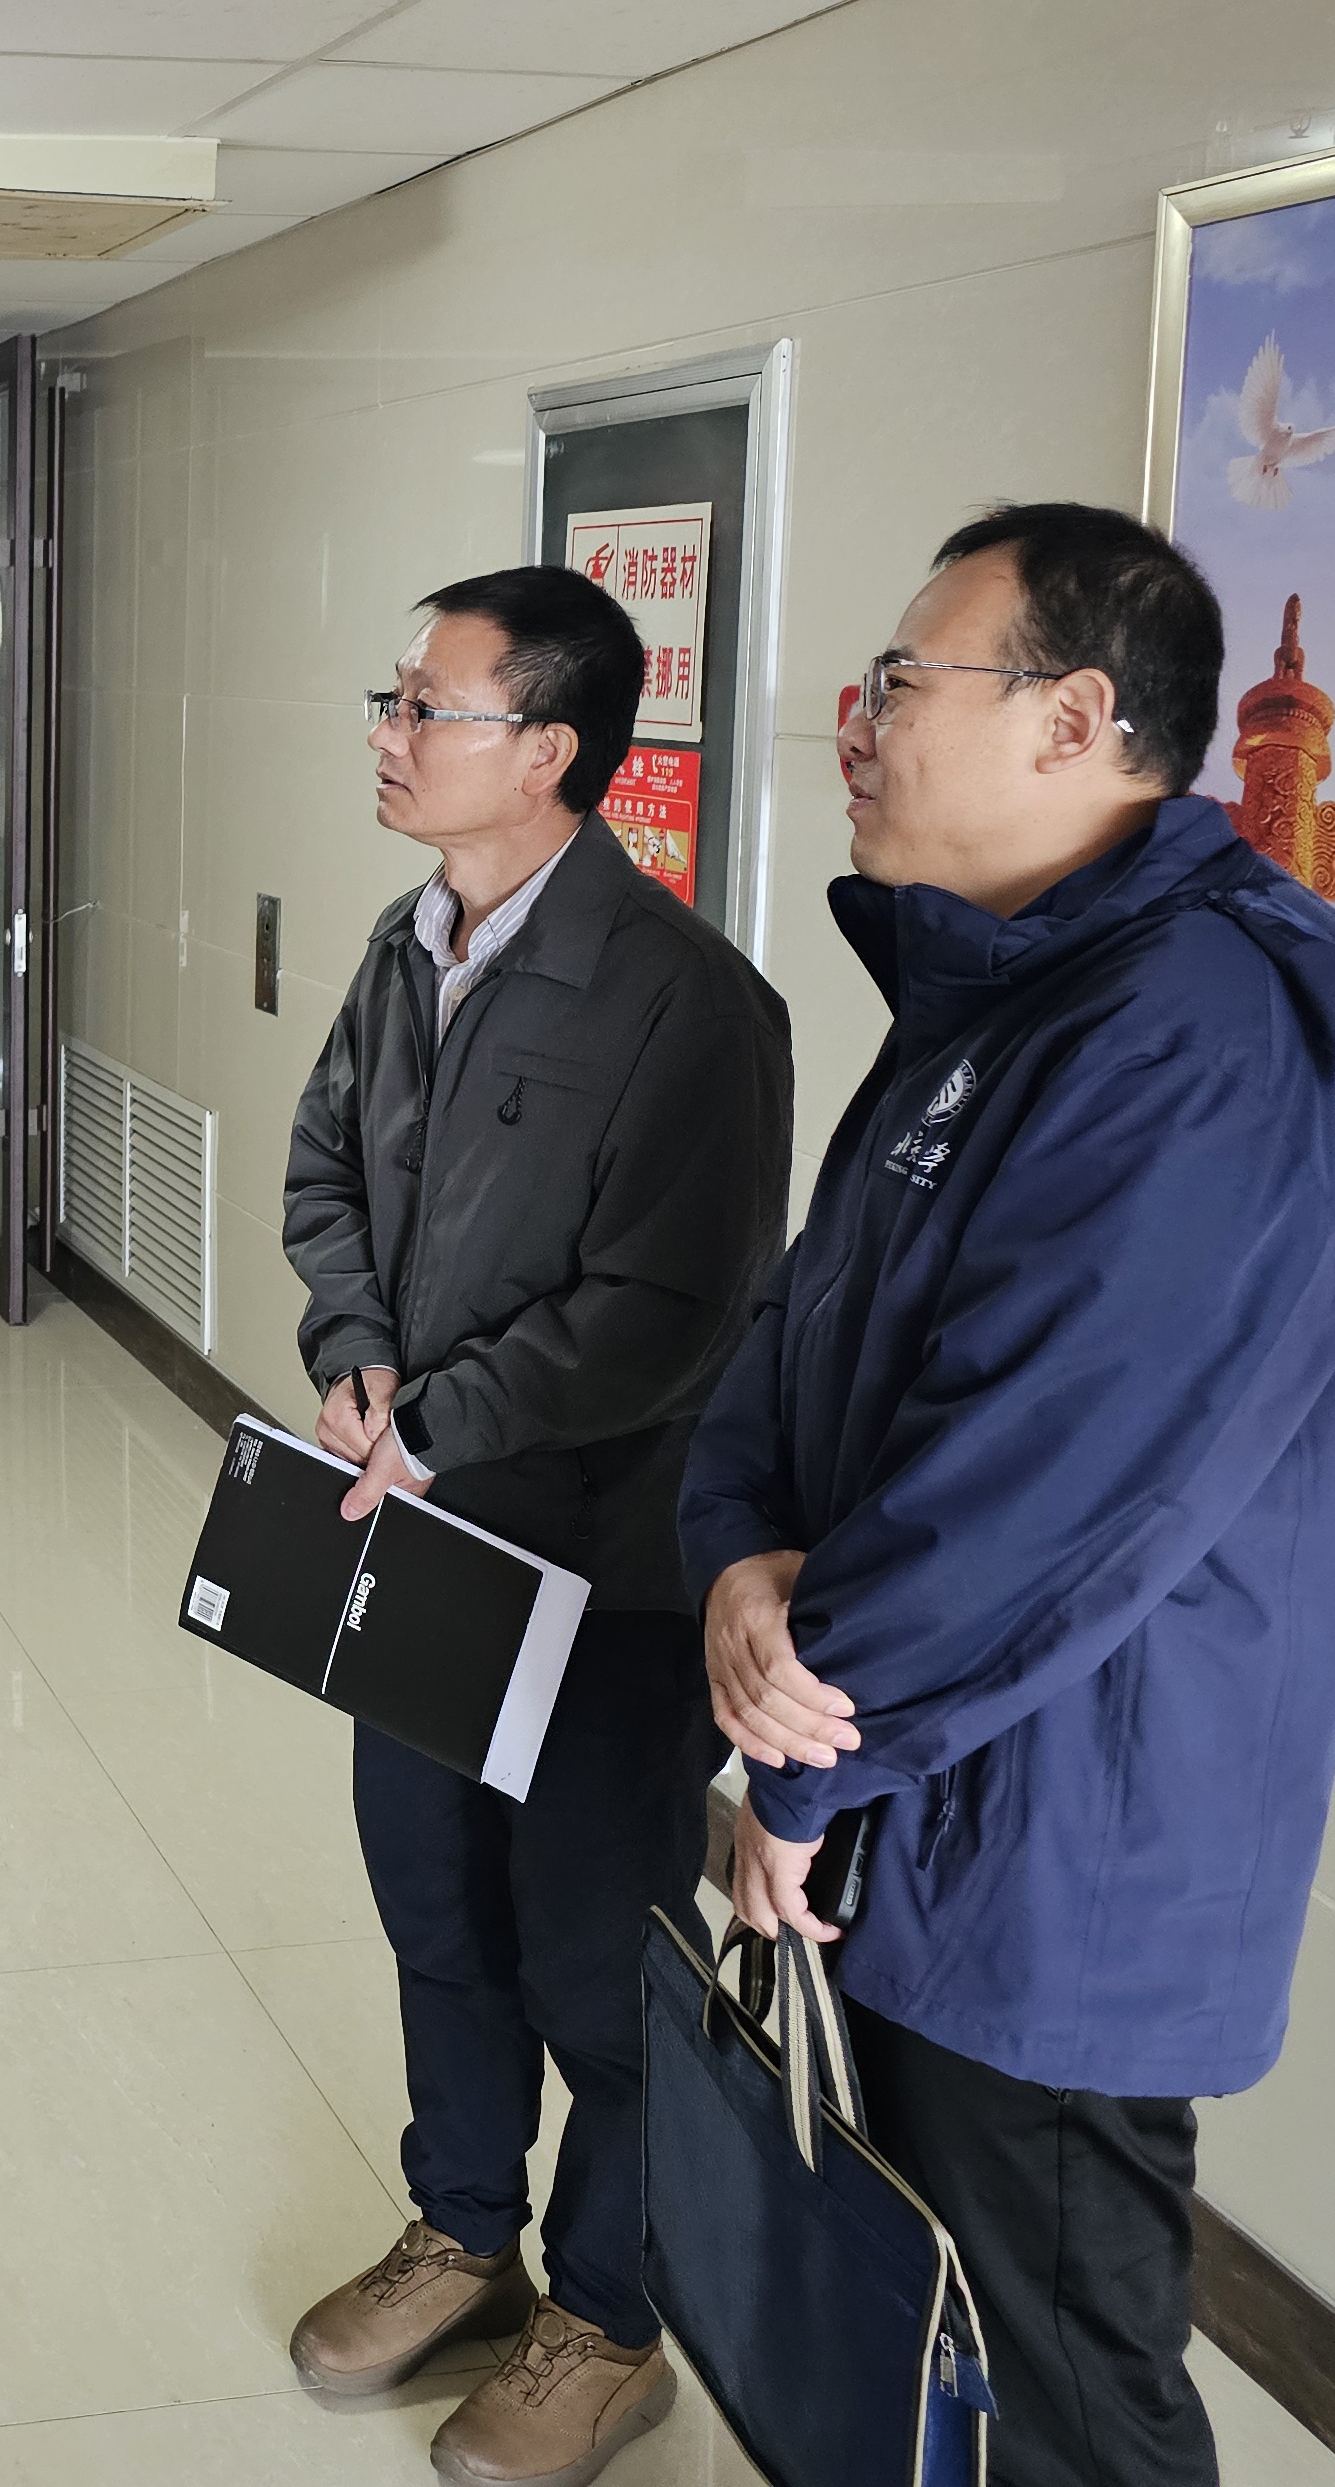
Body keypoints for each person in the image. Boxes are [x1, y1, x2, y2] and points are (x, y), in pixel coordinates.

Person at [681, 505, 1335, 2487]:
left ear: (1072, 720)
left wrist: (800, 1764)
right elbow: (801, 1324)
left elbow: (1043, 1500)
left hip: (1057, 1856)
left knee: (1057, 2390)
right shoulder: (1009, 987)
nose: (855, 723)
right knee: (931, 2336)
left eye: (899, 680)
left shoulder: (1201, 1036)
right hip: (926, 1789)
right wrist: (734, 1551)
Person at [279, 567, 793, 2487]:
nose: (391, 732)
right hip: (421, 1538)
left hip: (605, 1566)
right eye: (394, 696)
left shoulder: (691, 1004)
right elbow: (325, 1169)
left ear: (550, 752)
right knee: (433, 1902)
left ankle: (613, 2310)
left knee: (596, 1948)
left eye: (431, 706)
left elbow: (669, 1311)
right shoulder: (405, 946)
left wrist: (441, 1420)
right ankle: (466, 2230)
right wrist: (354, 1352)